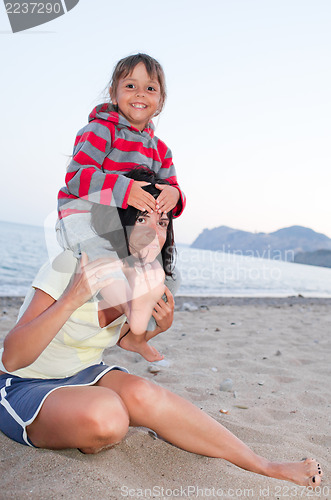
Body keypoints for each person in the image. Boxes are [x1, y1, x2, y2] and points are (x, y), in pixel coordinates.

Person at [0, 195, 323, 489]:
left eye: (163, 222)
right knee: (108, 417)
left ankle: (263, 465)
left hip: (87, 373)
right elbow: (13, 357)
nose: (154, 231)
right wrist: (72, 298)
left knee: (143, 392)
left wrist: (155, 331)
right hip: (22, 382)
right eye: (141, 219)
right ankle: (86, 428)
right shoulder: (72, 264)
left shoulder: (144, 278)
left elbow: (128, 341)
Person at [55, 53, 185, 335]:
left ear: (160, 101)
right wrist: (123, 190)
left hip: (124, 226)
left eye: (150, 88)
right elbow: (77, 177)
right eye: (130, 86)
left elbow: (169, 189)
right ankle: (132, 313)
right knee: (107, 265)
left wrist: (174, 196)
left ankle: (134, 334)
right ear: (114, 93)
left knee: (170, 275)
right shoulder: (101, 130)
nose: (140, 93)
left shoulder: (161, 150)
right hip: (83, 215)